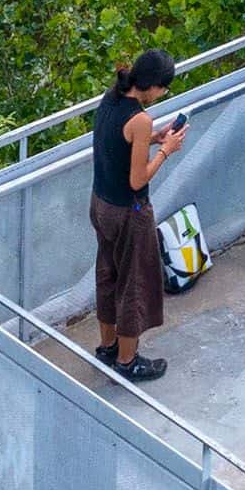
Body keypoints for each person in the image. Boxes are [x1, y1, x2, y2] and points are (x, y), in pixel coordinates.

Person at [91, 48, 184, 380]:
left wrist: (153, 139)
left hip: (101, 204)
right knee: (134, 282)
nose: (163, 94)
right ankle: (128, 361)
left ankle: (108, 347)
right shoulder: (140, 120)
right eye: (164, 88)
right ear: (154, 85)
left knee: (107, 274)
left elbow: (119, 144)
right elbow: (137, 179)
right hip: (128, 214)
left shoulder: (111, 97)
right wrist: (166, 150)